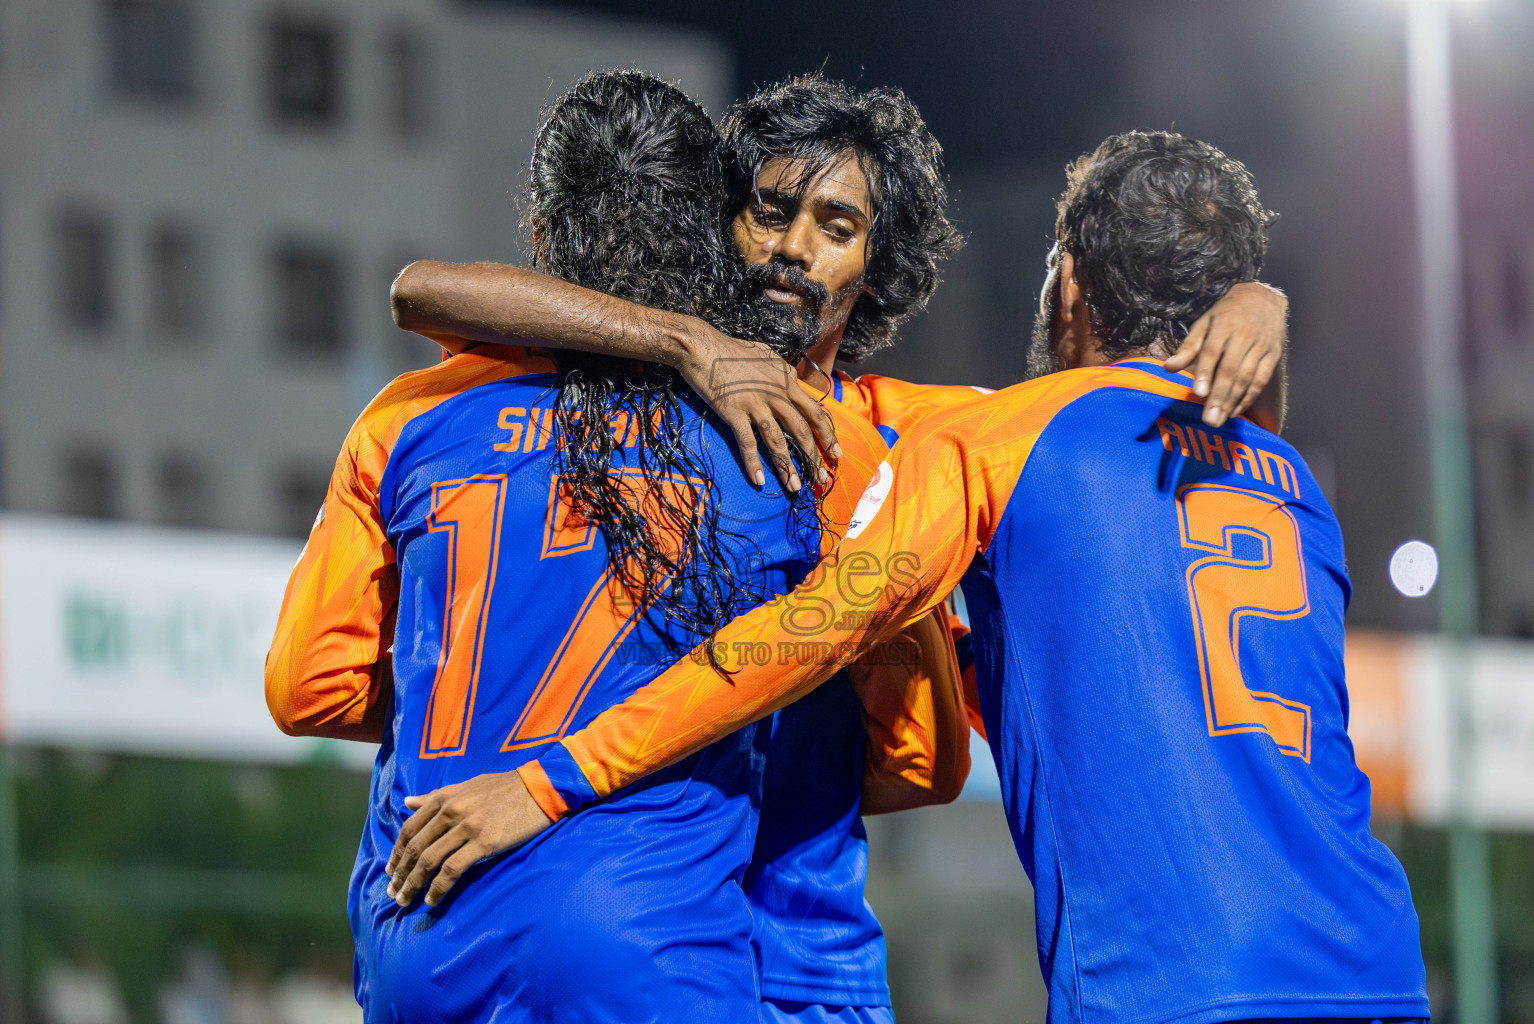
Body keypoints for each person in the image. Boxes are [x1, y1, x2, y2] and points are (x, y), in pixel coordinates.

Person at [403, 130, 1431, 1024]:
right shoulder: (1290, 482)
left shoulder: (989, 438)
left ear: (1064, 281)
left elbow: (805, 635)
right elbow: (1229, 430)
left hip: (1173, 987)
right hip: (1378, 965)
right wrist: (1261, 297)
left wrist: (549, 780)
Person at [264, 70, 889, 1022]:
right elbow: (921, 758)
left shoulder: (409, 417)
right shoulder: (792, 441)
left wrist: (470, 687)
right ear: (712, 229)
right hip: (648, 939)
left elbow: (304, 689)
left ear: (545, 231)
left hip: (422, 925)